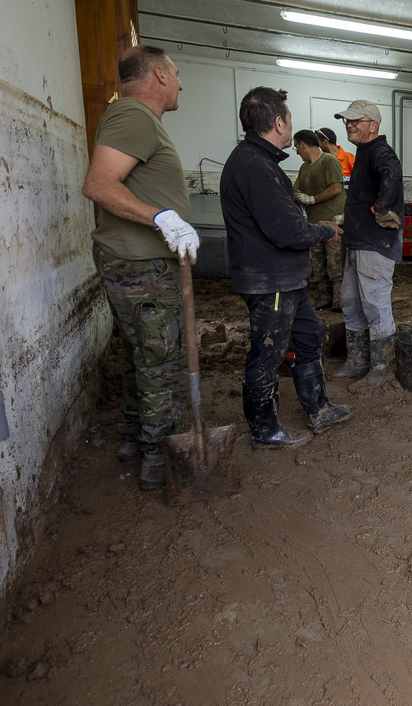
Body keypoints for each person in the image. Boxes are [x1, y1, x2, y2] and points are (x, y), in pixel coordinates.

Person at [81, 45, 199, 491]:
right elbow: (98, 183)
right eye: (177, 72)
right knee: (160, 361)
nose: (181, 83)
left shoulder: (138, 120)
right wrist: (161, 217)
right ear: (159, 75)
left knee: (141, 356)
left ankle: (135, 437)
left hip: (139, 263)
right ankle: (159, 457)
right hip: (142, 266)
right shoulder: (132, 115)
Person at [220, 87, 355, 449]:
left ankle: (318, 407)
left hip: (283, 278)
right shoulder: (253, 165)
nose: (292, 130)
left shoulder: (260, 162)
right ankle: (265, 430)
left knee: (309, 334)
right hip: (270, 281)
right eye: (290, 121)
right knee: (268, 352)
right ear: (278, 122)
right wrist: (324, 230)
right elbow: (287, 229)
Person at [332, 100, 404, 391]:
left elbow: (393, 173)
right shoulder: (362, 153)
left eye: (355, 121)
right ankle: (358, 360)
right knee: (349, 301)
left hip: (375, 244)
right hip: (357, 241)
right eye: (346, 121)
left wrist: (382, 208)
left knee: (374, 305)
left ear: (373, 125)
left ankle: (381, 368)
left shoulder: (379, 151)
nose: (349, 125)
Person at [293, 129, 345, 311]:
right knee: (318, 264)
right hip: (314, 226)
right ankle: (325, 299)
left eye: (296, 148)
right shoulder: (304, 168)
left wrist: (312, 199)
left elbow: (336, 188)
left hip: (332, 225)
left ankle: (338, 302)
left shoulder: (329, 161)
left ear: (303, 145)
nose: (297, 152)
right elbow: (295, 190)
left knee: (335, 265)